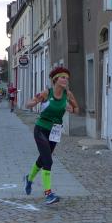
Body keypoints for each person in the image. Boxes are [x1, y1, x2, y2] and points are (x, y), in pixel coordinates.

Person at [23, 66, 79, 205]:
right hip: (41, 129)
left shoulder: (68, 95)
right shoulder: (47, 93)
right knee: (48, 160)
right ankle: (48, 194)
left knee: (43, 159)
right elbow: (28, 104)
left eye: (67, 78)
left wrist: (71, 109)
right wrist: (35, 101)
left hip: (55, 131)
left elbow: (77, 109)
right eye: (63, 77)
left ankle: (29, 179)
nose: (65, 80)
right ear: (55, 79)